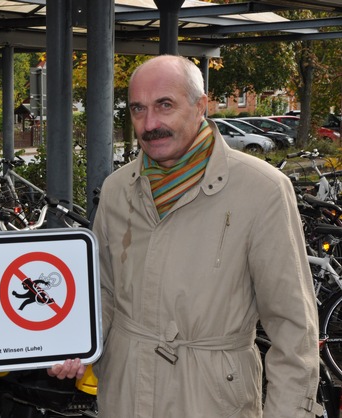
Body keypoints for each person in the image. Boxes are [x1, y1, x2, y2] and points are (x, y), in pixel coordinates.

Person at [50, 54, 321, 417]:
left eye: (165, 105)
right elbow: (104, 291)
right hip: (126, 393)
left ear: (201, 107)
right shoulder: (117, 189)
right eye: (138, 109)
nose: (150, 124)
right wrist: (79, 345)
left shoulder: (263, 190)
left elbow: (293, 328)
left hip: (211, 398)